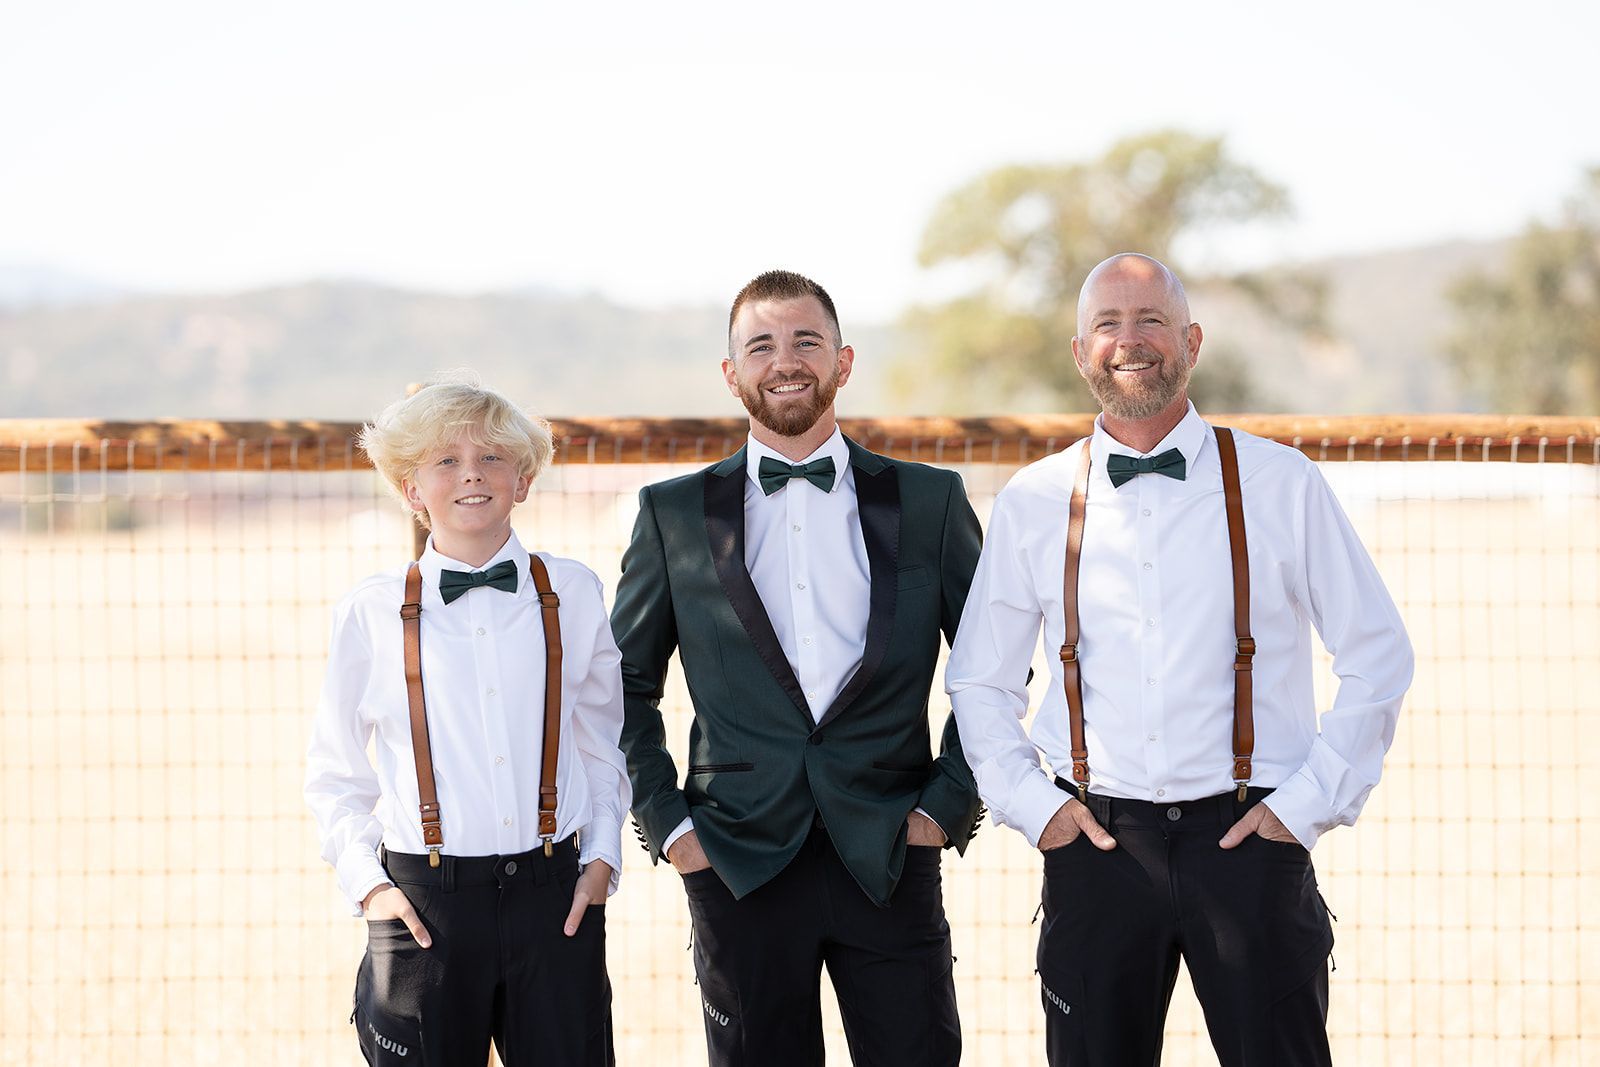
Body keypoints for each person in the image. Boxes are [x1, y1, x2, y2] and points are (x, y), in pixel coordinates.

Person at [945, 253, 1413, 1066]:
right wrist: (1034, 804)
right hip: (1095, 843)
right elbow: (979, 681)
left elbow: (1378, 652)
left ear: (1191, 341)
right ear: (1079, 350)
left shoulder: (1279, 482)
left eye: (1151, 320)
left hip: (1250, 837)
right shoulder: (1034, 499)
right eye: (1108, 324)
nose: (1130, 341)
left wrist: (1304, 807)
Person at [611, 269, 983, 1066]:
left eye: (806, 342)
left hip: (890, 847)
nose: (786, 361)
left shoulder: (932, 501)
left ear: (843, 362)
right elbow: (624, 688)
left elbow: (991, 668)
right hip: (735, 857)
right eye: (762, 345)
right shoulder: (671, 515)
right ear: (732, 372)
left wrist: (944, 807)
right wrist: (671, 826)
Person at [305, 376, 629, 1066]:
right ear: (412, 489)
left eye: (492, 457)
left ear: (524, 479)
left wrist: (601, 855)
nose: (472, 474)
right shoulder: (369, 611)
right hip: (424, 911)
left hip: (556, 902)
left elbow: (602, 740)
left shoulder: (572, 592)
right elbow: (337, 772)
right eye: (445, 460)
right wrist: (371, 886)